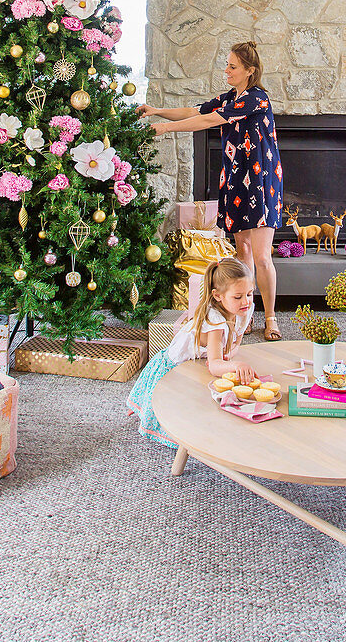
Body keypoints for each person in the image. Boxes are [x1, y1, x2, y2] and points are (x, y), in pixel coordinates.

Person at [138, 41, 283, 341]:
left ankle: (270, 319)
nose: (226, 70)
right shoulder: (232, 96)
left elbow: (207, 120)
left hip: (260, 182)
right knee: (241, 251)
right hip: (234, 179)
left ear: (249, 71)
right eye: (227, 64)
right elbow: (195, 110)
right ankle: (245, 313)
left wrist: (164, 130)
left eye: (232, 66)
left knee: (261, 256)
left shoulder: (256, 99)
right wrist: (157, 111)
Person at [126, 258, 257, 447]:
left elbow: (235, 344)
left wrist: (229, 355)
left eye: (250, 294)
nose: (246, 301)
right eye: (238, 297)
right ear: (218, 296)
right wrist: (236, 365)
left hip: (195, 361)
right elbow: (214, 364)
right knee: (179, 422)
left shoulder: (243, 309)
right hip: (174, 368)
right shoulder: (215, 323)